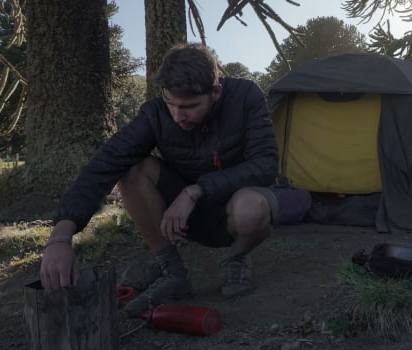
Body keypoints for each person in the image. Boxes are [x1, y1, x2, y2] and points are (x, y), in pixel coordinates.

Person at [39, 43, 279, 316]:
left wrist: (196, 190)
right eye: (170, 103)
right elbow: (105, 162)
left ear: (215, 92)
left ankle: (236, 258)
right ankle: (173, 271)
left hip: (236, 205)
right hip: (184, 218)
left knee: (251, 209)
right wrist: (61, 236)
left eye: (189, 106)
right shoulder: (154, 114)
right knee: (132, 169)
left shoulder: (246, 96)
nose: (177, 116)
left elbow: (266, 164)